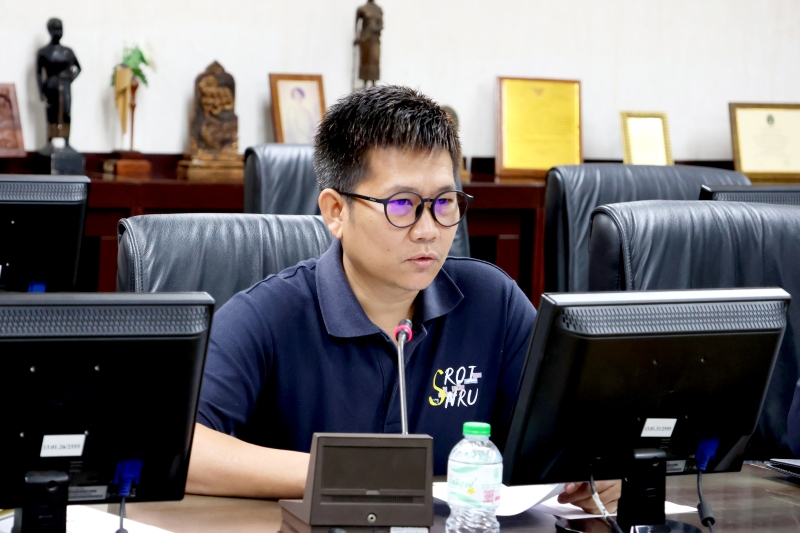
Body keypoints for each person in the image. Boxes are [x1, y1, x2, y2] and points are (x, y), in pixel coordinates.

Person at [186, 85, 620, 514]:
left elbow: (572, 432)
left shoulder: (492, 302)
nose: (428, 230)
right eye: (401, 205)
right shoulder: (266, 315)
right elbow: (183, 450)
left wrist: (602, 467)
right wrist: (358, 472)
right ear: (336, 212)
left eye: (444, 203)